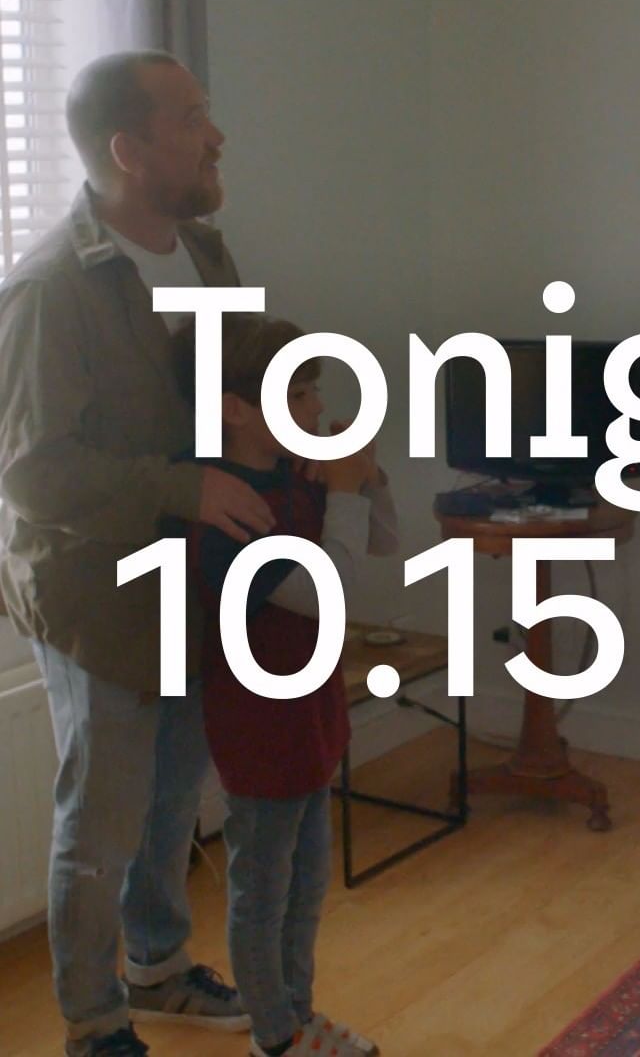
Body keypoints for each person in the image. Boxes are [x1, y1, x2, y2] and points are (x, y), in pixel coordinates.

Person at [0, 51, 277, 1056]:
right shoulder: (47, 290)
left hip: (193, 581)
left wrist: (287, 419)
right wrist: (185, 487)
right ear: (129, 149)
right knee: (103, 821)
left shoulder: (204, 251)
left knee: (170, 800)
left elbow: (227, 377)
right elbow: (35, 476)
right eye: (193, 116)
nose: (216, 136)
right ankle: (93, 1022)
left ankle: (157, 969)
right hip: (96, 597)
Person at [181, 312, 397, 1057]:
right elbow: (330, 591)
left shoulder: (294, 479)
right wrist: (344, 491)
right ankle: (274, 1035)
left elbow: (383, 544)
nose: (314, 408)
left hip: (311, 712)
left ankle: (299, 1016)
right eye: (297, 393)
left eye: (313, 391)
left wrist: (365, 476)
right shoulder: (228, 512)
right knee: (263, 892)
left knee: (307, 885)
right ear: (237, 408)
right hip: (260, 726)